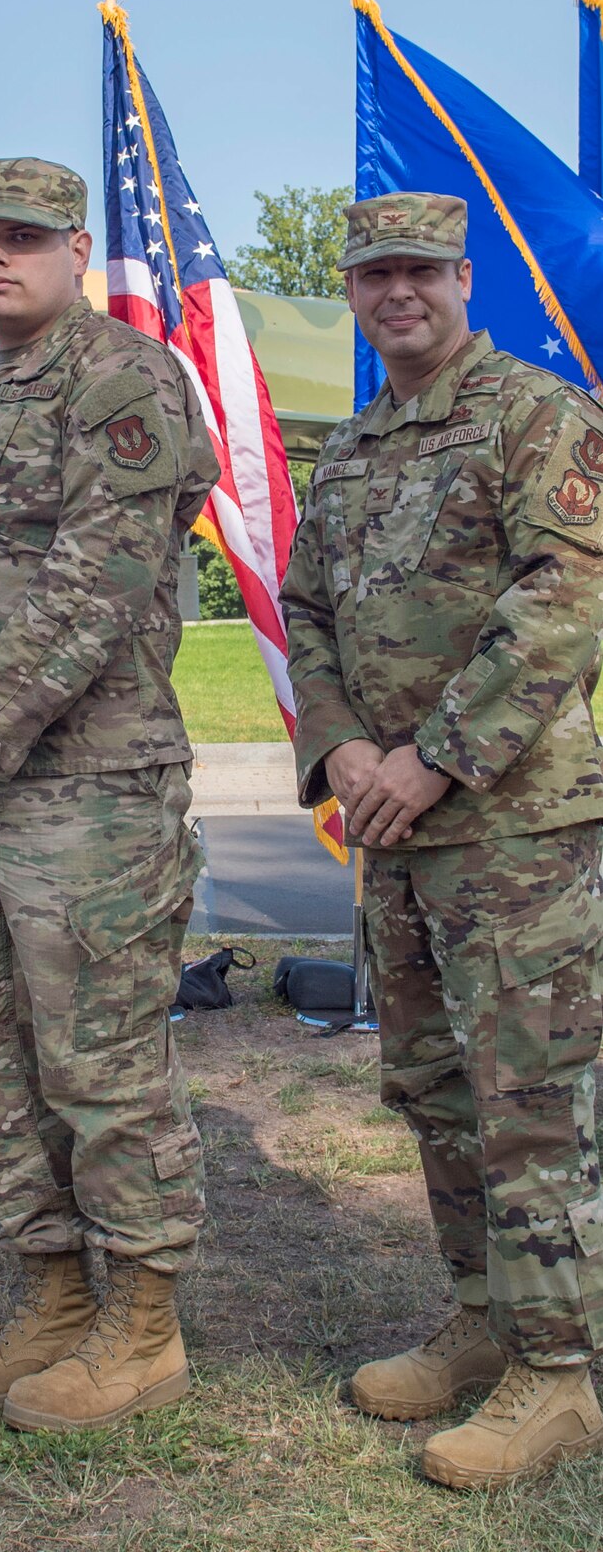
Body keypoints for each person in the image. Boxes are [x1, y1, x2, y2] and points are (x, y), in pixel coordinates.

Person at [281, 191, 603, 1491]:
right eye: (372, 275)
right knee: (433, 1094)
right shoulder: (354, 449)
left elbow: (567, 598)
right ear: (353, 293)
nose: (394, 292)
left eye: (417, 270)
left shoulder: (537, 416)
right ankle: (480, 1321)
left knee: (530, 1105)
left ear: (464, 277)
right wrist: (346, 750)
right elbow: (306, 609)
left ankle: (559, 1374)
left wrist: (430, 757)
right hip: (393, 832)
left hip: (514, 831)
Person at [0, 157, 220, 1433]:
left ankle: (141, 1326)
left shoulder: (121, 379)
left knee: (100, 1054)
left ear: (75, 248)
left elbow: (99, 580)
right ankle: (46, 1293)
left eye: (22, 239)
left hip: (88, 784)